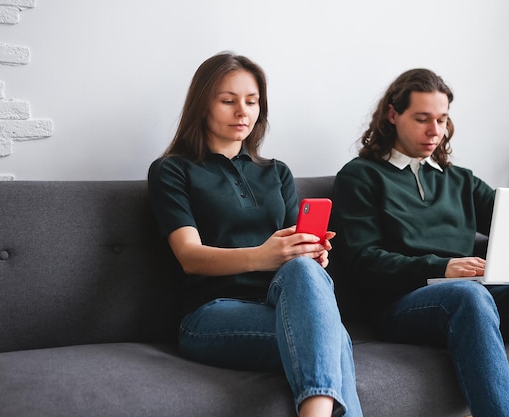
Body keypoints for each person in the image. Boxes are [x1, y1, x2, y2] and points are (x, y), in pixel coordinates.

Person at [331, 68, 509, 417]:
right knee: (468, 294)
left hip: (477, 298)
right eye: (422, 119)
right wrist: (442, 267)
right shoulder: (360, 176)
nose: (435, 131)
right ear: (393, 115)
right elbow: (364, 262)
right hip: (402, 305)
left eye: (442, 119)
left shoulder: (459, 181)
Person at [148, 52, 362, 417]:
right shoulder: (172, 170)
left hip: (279, 303)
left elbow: (294, 255)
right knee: (332, 338)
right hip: (210, 313)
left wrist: (308, 253)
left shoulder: (277, 172)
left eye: (251, 102)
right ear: (202, 106)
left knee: (307, 275)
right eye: (228, 101)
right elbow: (189, 256)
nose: (242, 112)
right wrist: (263, 255)